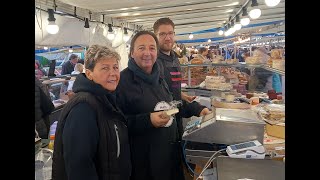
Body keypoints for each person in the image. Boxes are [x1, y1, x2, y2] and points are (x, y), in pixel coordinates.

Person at [116, 31, 200, 180]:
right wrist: (148, 120)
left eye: (152, 48)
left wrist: (198, 109)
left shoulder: (160, 77)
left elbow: (173, 105)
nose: (147, 53)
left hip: (169, 156)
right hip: (144, 165)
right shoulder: (122, 82)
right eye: (141, 48)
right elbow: (116, 125)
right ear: (131, 53)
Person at [52, 45, 131, 180]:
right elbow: (79, 166)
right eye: (105, 68)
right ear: (89, 74)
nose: (113, 73)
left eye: (115, 67)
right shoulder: (83, 107)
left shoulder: (106, 99)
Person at [153, 17, 210, 140]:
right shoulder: (154, 62)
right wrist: (195, 108)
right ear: (155, 36)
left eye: (170, 33)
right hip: (164, 120)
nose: (167, 38)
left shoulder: (174, 57)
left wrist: (182, 95)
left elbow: (171, 86)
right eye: (162, 34)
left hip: (177, 113)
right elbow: (161, 96)